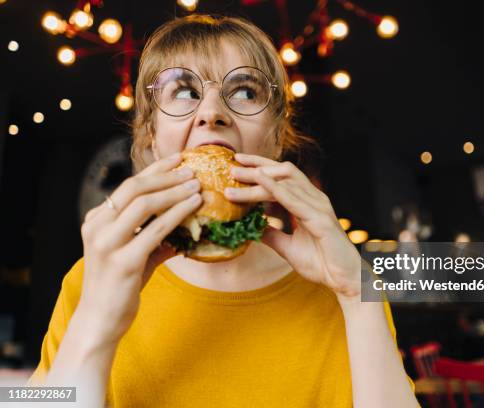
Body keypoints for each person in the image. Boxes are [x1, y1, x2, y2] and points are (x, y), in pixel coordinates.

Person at [29, 14, 418, 408]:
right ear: (151, 137)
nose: (211, 111)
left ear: (276, 138)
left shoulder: (347, 291)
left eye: (245, 92)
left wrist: (355, 293)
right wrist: (96, 323)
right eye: (182, 91)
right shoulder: (92, 279)